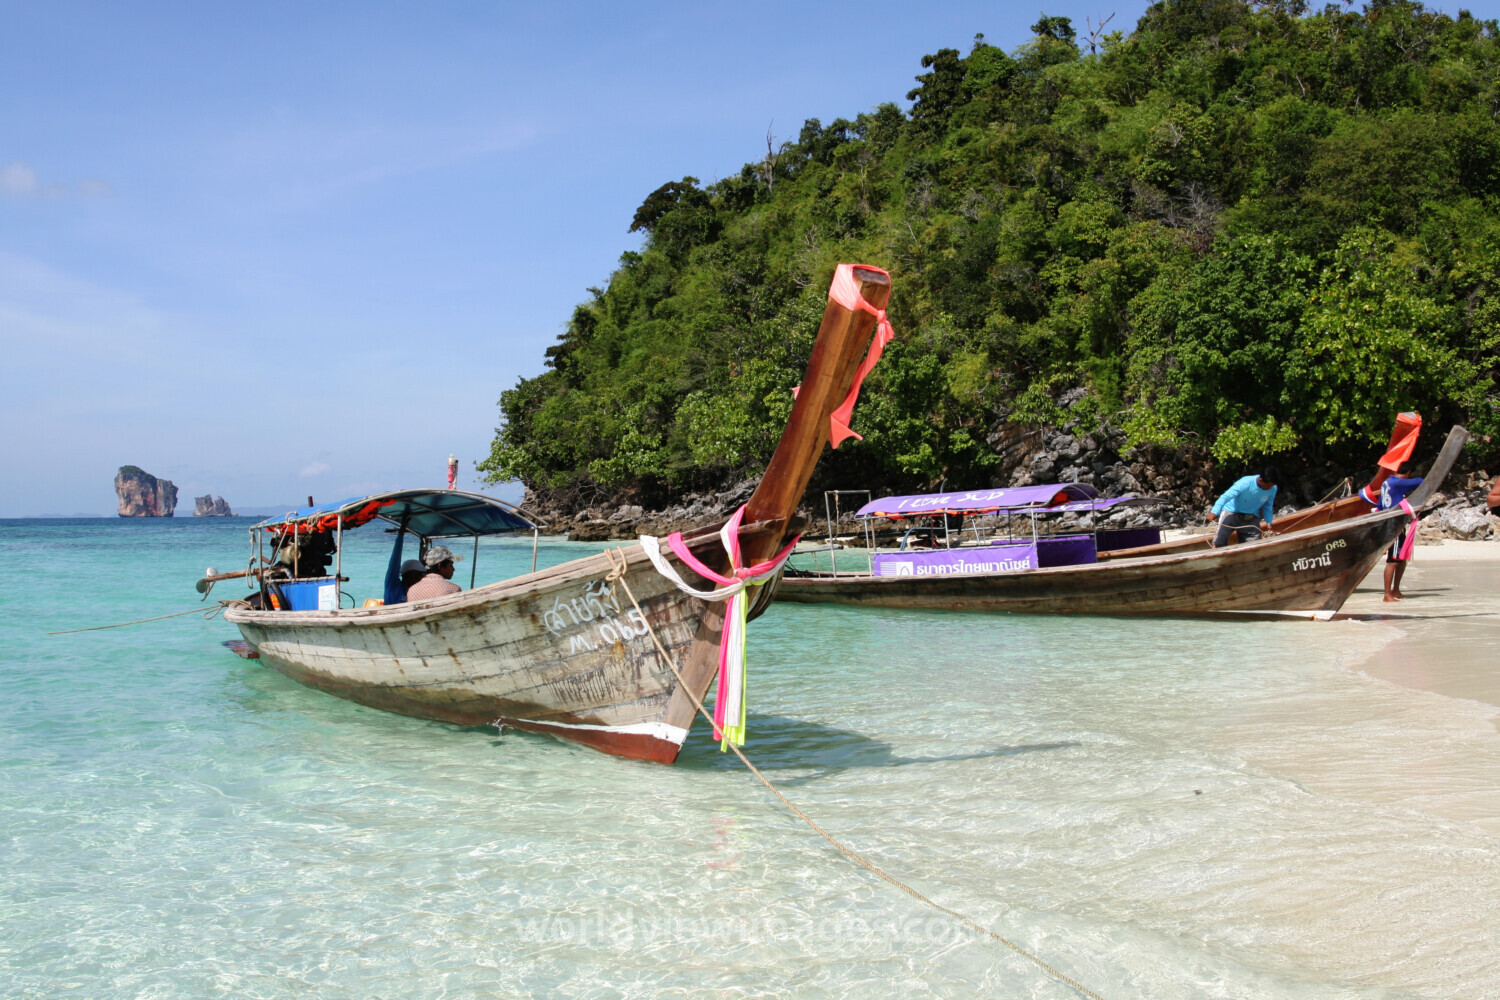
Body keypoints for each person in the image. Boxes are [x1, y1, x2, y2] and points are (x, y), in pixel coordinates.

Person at [1376, 462, 1424, 602]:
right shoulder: (1398, 483)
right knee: (1393, 560)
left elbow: (1379, 506)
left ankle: (1395, 590)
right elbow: (1420, 482)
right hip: (1393, 526)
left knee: (1401, 560)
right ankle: (1387, 594)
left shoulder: (1387, 482)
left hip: (1394, 525)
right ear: (1408, 472)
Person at [1207, 466, 1280, 547]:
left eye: (1271, 486)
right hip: (1231, 513)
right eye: (1267, 486)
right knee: (1218, 543)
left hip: (1251, 518)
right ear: (1260, 480)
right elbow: (1225, 497)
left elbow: (1268, 505)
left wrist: (1269, 522)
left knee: (1253, 546)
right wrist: (1214, 511)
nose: (1269, 489)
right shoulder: (1245, 483)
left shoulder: (1273, 488)